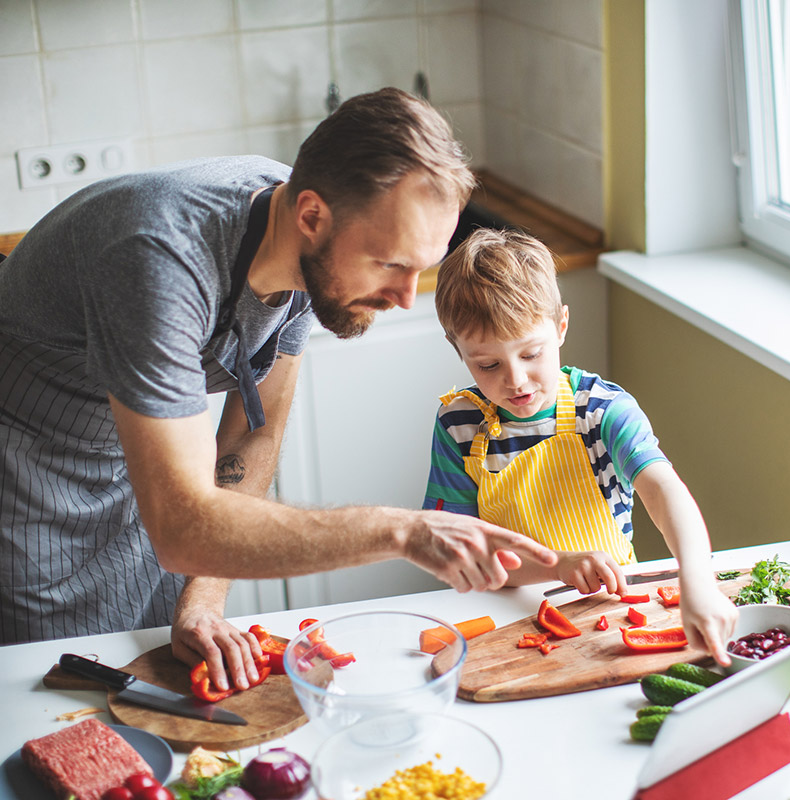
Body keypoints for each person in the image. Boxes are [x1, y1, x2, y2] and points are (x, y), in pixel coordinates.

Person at [0, 88, 557, 692]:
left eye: (419, 267)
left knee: (155, 668)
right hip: (30, 473)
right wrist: (406, 531)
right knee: (57, 693)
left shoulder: (307, 242)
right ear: (312, 217)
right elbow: (184, 527)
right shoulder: (157, 262)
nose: (404, 297)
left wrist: (203, 603)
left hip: (143, 463)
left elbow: (253, 430)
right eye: (390, 265)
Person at [423, 228, 737, 663]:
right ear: (457, 350)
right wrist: (558, 566)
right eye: (488, 364)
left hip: (611, 608)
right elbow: (455, 549)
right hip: (505, 618)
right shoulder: (457, 425)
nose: (515, 380)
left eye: (531, 354)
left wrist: (697, 581)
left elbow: (664, 491)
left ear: (561, 327)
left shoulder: (602, 410)